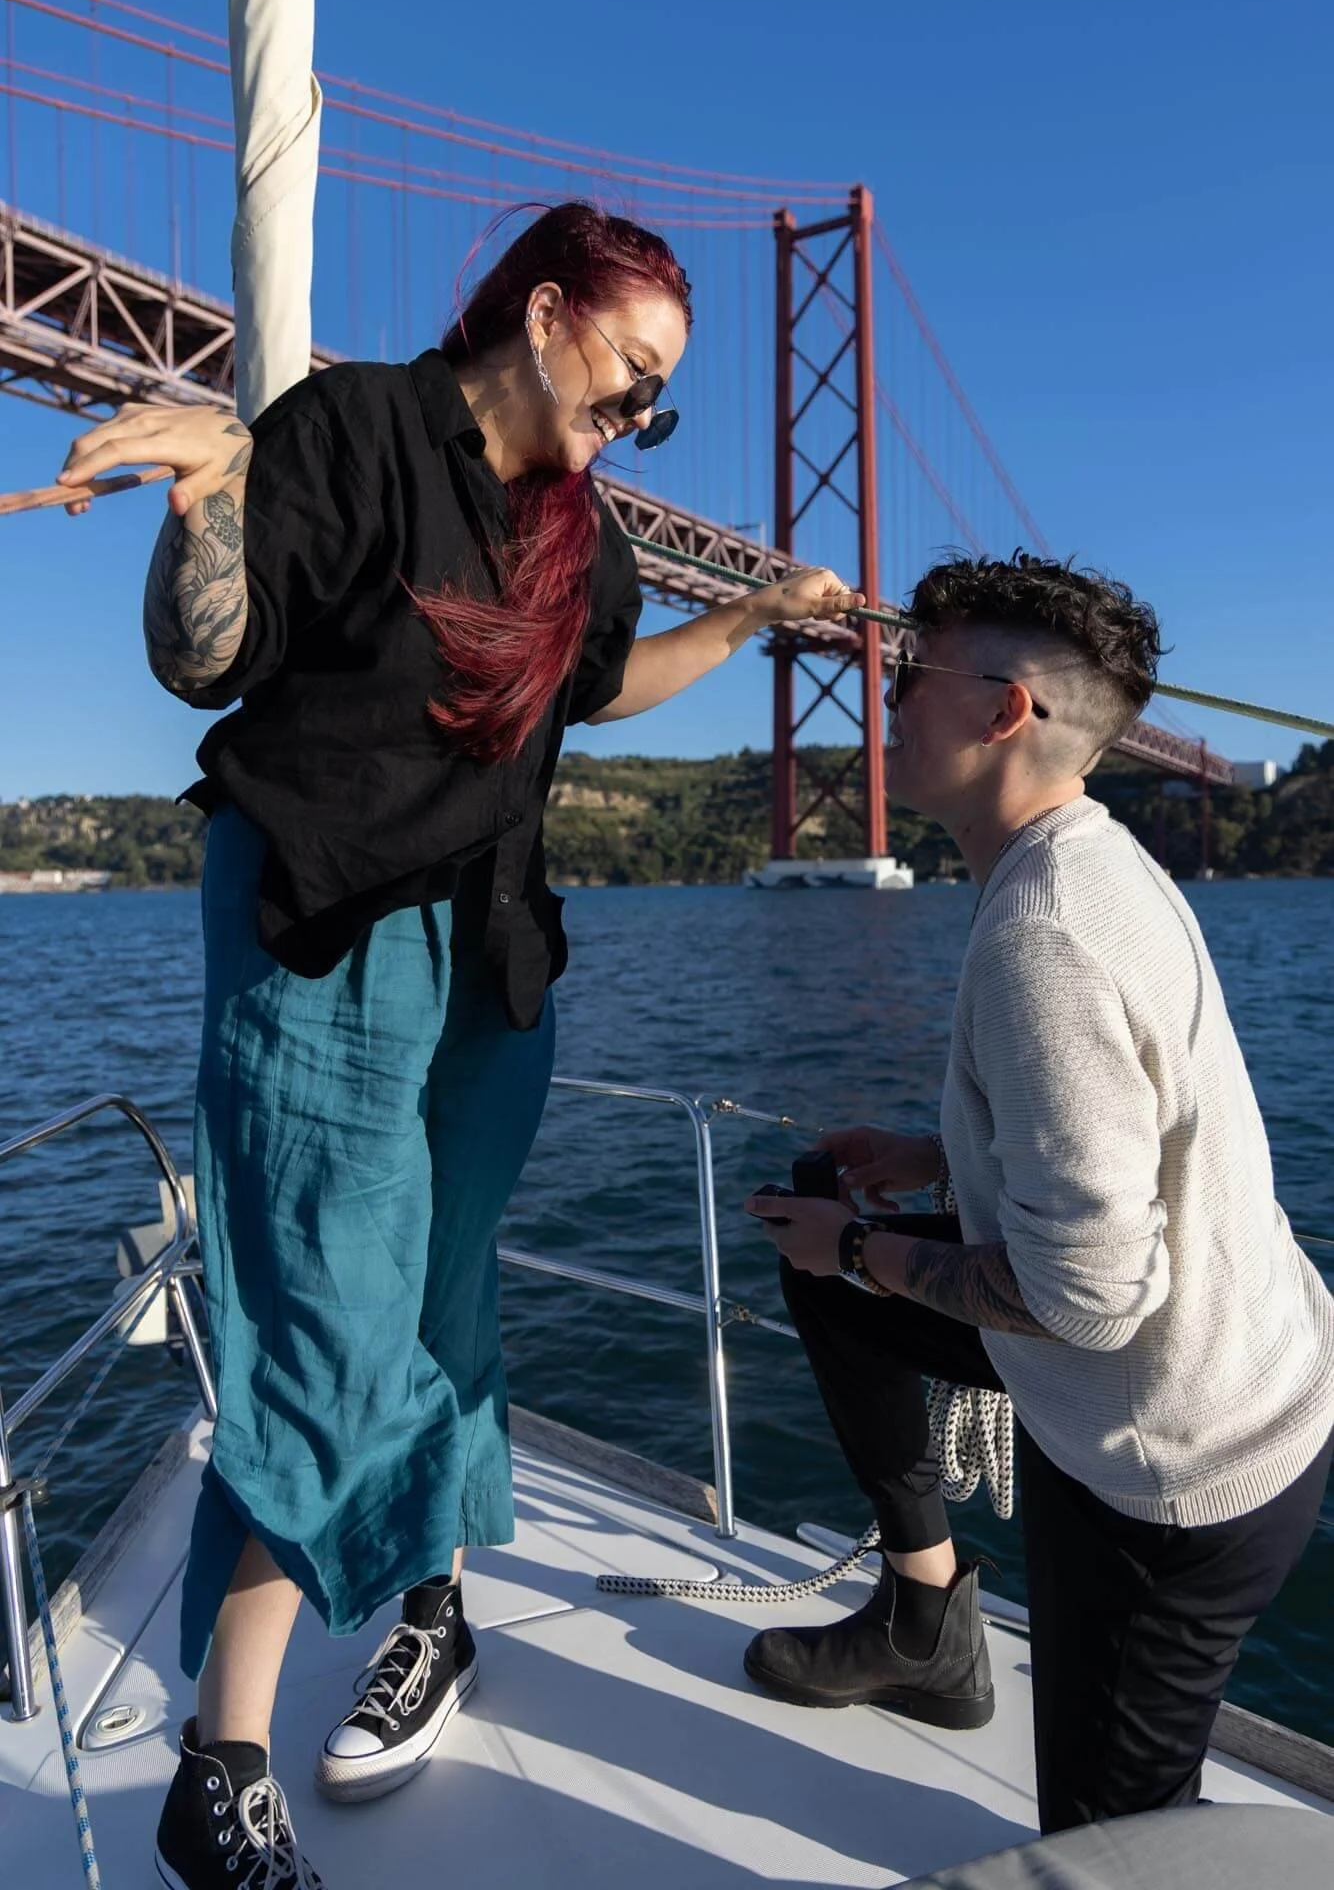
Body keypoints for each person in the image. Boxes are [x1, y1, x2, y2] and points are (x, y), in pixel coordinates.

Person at [59, 202, 863, 1890]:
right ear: (550, 312)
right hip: (321, 927)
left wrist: (751, 624)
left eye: (660, 403)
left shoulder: (584, 525)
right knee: (329, 1339)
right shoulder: (351, 431)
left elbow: (591, 686)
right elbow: (202, 655)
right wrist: (213, 495)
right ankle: (219, 1768)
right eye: (631, 375)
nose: (636, 416)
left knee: (440, 1307)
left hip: (491, 956)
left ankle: (431, 1608)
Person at [744, 552, 1334, 1835]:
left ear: (1005, 709)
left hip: (1177, 1463)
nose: (884, 696)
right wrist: (930, 1157)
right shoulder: (1087, 864)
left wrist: (860, 1245)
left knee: (1105, 1844)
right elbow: (1124, 1137)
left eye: (909, 672)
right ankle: (922, 1617)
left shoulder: (1042, 933)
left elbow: (1088, 1297)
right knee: (827, 1284)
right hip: (1220, 1378)